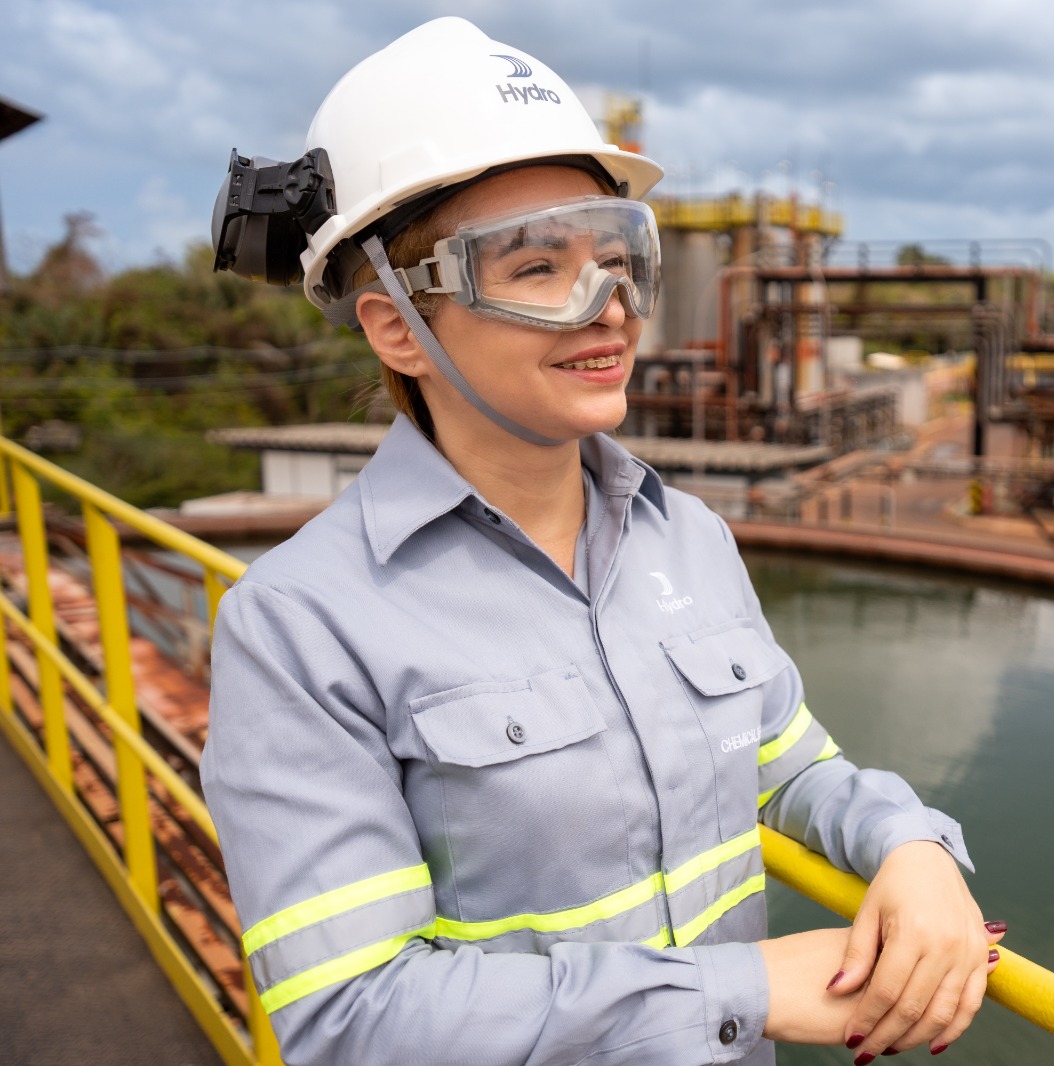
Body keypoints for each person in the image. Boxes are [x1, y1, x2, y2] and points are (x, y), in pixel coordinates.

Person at [201, 17, 1000, 1066]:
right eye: (537, 268)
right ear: (397, 325)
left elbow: (793, 767)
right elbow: (355, 1016)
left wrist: (911, 843)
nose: (610, 309)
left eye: (619, 260)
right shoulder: (301, 624)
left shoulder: (692, 542)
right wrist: (741, 987)